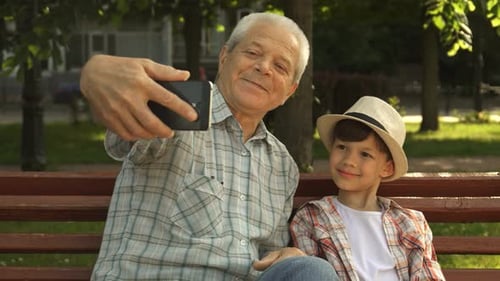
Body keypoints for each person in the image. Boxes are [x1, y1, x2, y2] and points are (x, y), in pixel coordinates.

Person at [80, 12, 339, 281]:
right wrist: (97, 73)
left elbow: (267, 258)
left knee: (312, 270)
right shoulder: (180, 110)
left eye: (281, 66)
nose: (264, 67)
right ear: (225, 57)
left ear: (289, 91)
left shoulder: (282, 165)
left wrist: (288, 257)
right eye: (252, 53)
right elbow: (128, 122)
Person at [290, 96, 445, 281]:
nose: (349, 161)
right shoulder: (311, 219)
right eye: (342, 147)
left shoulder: (410, 224)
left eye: (365, 154)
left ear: (387, 168)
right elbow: (313, 276)